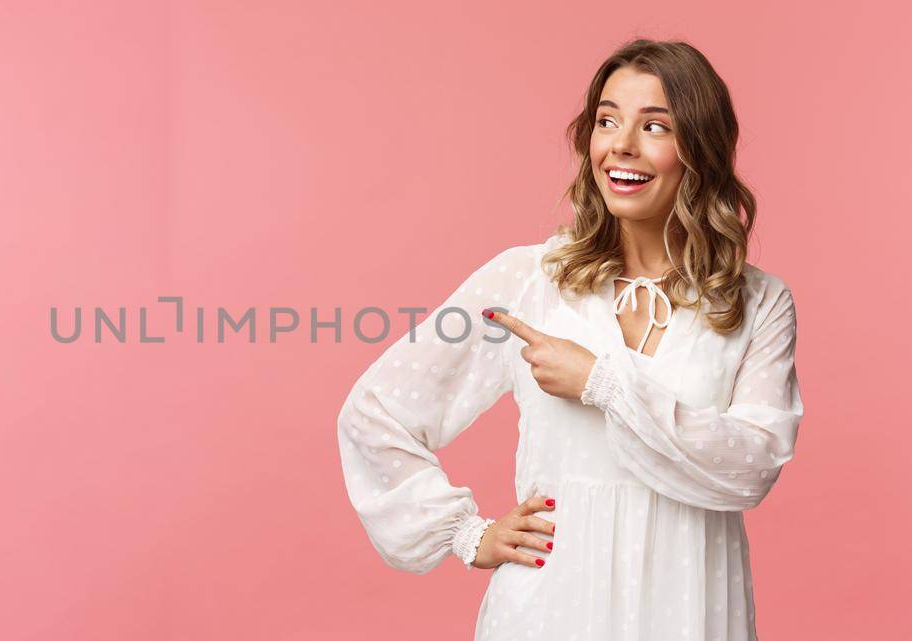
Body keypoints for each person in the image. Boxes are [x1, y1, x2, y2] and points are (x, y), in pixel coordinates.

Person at [336, 38, 803, 641]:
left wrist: (604, 383)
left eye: (654, 126)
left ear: (700, 149)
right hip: (550, 610)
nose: (621, 145)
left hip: (690, 607)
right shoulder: (528, 279)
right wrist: (466, 534)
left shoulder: (758, 302)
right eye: (607, 120)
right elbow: (376, 411)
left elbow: (753, 466)